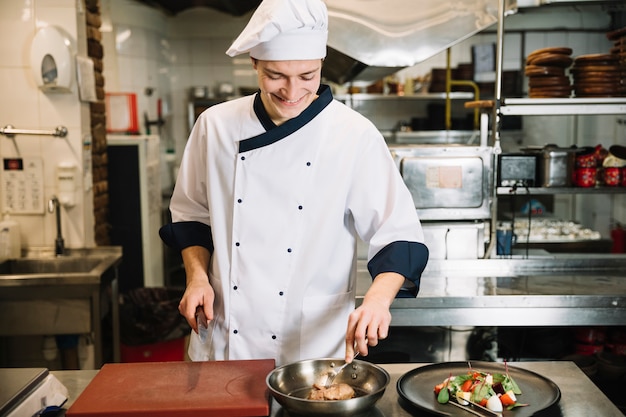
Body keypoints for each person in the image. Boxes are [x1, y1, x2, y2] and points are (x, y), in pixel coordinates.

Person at [160, 0, 429, 367]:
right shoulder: (215, 125)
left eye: (307, 76)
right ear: (254, 63)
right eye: (275, 76)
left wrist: (378, 301)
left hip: (313, 345)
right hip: (225, 336)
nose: (292, 92)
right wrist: (197, 278)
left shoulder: (353, 134)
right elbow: (191, 216)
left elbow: (398, 234)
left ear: (320, 64)